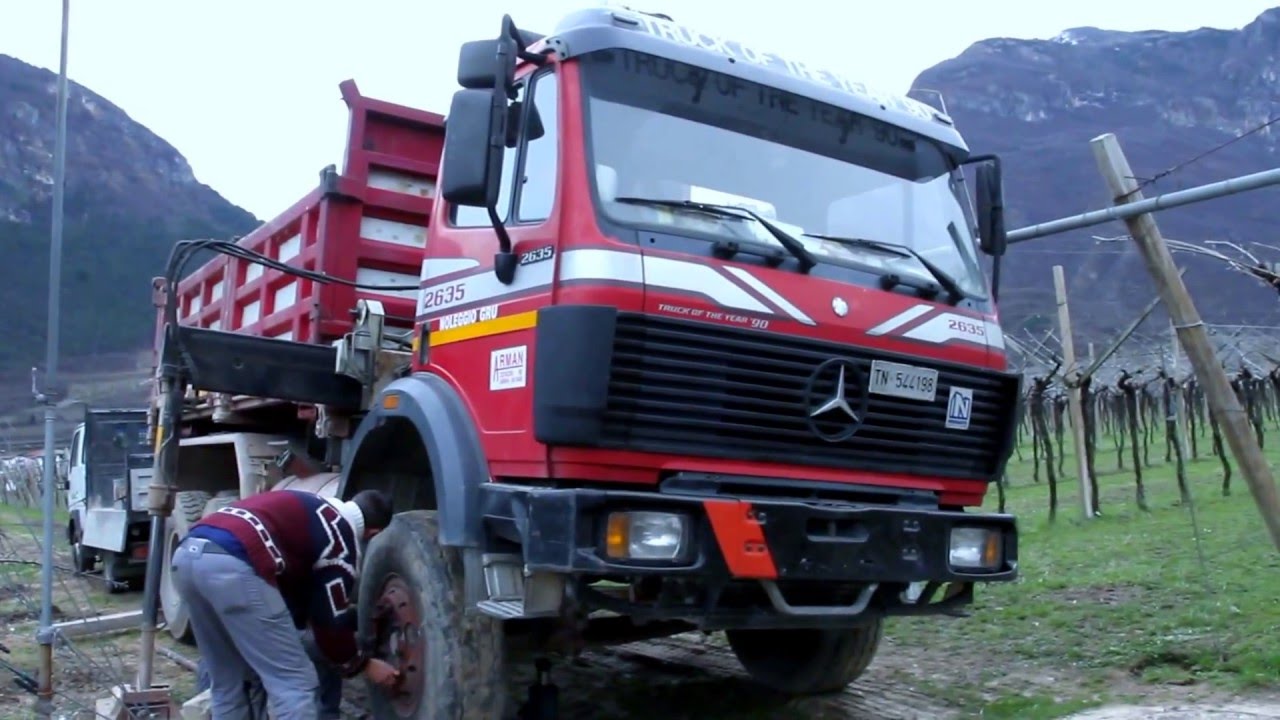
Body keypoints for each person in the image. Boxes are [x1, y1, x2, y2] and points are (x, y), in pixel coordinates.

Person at [172, 488, 400, 720]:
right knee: (295, 682)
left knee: (230, 682)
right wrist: (362, 664)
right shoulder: (339, 537)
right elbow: (329, 623)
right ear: (373, 533)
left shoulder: (310, 506)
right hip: (233, 564)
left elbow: (291, 601)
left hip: (187, 555)